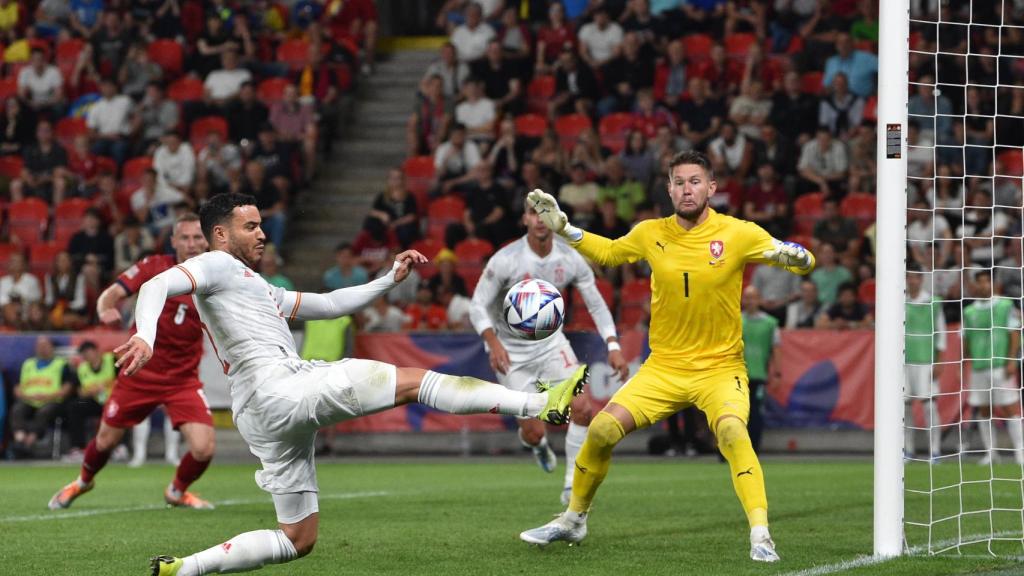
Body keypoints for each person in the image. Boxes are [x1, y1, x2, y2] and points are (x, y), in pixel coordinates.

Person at [114, 193, 588, 575]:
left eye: (260, 225)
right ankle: (537, 402)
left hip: (261, 411)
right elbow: (156, 286)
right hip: (279, 386)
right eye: (251, 226)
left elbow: (328, 303)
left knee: (297, 539)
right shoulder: (216, 264)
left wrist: (387, 280)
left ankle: (183, 569)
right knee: (411, 382)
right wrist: (144, 334)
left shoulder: (254, 284)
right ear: (221, 234)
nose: (261, 233)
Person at [520, 150, 816, 562]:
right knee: (602, 430)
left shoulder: (739, 233)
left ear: (711, 187)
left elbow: (798, 261)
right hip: (665, 368)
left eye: (695, 181)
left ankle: (761, 533)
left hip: (719, 368)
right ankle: (574, 519)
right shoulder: (650, 232)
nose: (687, 189)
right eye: (679, 182)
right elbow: (608, 253)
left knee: (732, 433)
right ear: (669, 189)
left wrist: (799, 257)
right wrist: (565, 228)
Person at [48, 214, 217, 511]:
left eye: (197, 238)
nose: (192, 244)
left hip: (183, 379)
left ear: (207, 241)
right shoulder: (153, 266)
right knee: (105, 441)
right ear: (173, 241)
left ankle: (177, 491)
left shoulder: (217, 276)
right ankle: (83, 481)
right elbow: (111, 294)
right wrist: (105, 307)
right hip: (139, 372)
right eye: (185, 238)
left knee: (204, 448)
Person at [470, 202, 629, 504]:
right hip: (511, 354)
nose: (540, 220)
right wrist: (492, 342)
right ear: (524, 218)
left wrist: (613, 345)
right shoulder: (506, 260)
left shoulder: (570, 258)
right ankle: (539, 445)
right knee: (532, 431)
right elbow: (477, 305)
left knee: (583, 409)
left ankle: (571, 484)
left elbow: (595, 303)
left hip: (552, 346)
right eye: (532, 213)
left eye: (545, 213)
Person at [961, 270, 1024, 465]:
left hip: (1000, 364)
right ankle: (991, 453)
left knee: (1010, 407)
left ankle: (1020, 452)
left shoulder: (1005, 305)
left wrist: (1012, 360)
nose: (983, 285)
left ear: (993, 284)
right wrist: (963, 363)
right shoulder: (969, 311)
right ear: (974, 285)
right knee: (983, 409)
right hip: (979, 366)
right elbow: (966, 339)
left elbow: (1014, 333)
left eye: (987, 281)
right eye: (979, 282)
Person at [9, 336, 76, 458]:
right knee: (17, 409)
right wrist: (25, 395)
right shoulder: (28, 364)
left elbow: (67, 389)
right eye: (39, 346)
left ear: (52, 348)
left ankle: (29, 442)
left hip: (52, 401)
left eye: (45, 346)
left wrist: (47, 396)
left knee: (44, 412)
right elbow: (17, 387)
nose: (42, 349)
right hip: (29, 400)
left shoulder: (61, 364)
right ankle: (20, 441)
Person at [904, 265, 945, 460]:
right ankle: (907, 450)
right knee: (904, 407)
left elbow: (941, 333)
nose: (912, 281)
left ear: (921, 280)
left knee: (929, 405)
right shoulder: (899, 301)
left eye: (916, 277)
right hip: (904, 362)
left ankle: (935, 450)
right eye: (909, 277)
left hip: (926, 360)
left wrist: (940, 361)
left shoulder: (933, 302)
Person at [740, 285, 778, 454]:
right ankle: (730, 450)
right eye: (747, 297)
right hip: (735, 375)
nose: (750, 301)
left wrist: (777, 373)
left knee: (755, 413)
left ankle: (753, 450)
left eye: (753, 297)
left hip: (757, 375)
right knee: (734, 414)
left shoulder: (770, 323)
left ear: (759, 300)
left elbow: (777, 349)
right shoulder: (735, 320)